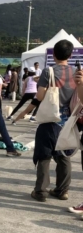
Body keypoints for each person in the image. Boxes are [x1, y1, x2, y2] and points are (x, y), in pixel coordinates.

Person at [31, 40, 77, 202]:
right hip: (68, 120)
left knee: (44, 155)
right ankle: (62, 190)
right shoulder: (77, 72)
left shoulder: (48, 71)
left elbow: (40, 96)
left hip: (50, 119)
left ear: (54, 54)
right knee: (64, 156)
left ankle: (41, 191)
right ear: (70, 55)